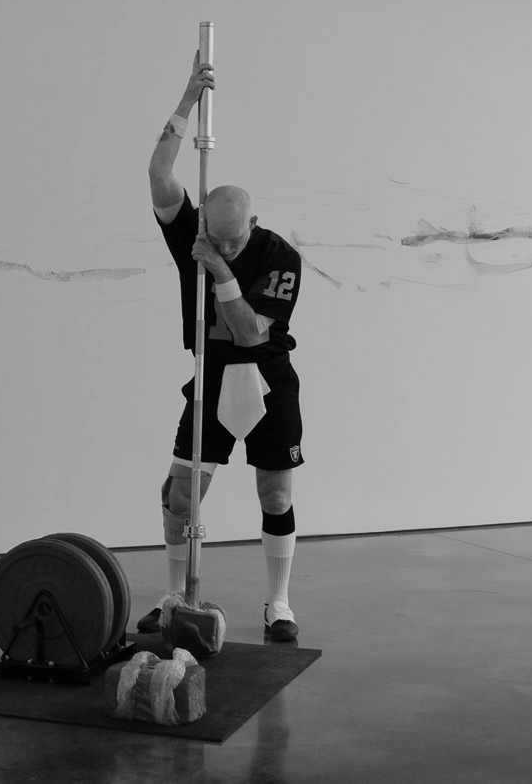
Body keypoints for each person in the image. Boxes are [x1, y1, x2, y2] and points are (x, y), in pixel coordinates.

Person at [138, 52, 305, 642]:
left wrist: (222, 272)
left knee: (275, 489)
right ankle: (177, 593)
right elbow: (160, 175)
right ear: (204, 219)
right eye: (218, 241)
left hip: (263, 377)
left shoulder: (280, 257)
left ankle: (277, 603)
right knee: (180, 493)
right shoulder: (195, 228)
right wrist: (186, 100)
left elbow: (250, 332)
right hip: (208, 379)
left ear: (253, 224)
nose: (226, 249)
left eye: (236, 242)